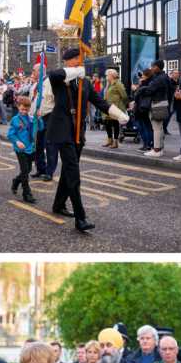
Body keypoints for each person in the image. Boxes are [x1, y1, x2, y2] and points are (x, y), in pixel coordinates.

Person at [47, 49, 128, 235]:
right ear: (67, 61)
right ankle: (80, 218)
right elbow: (54, 74)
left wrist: (118, 114)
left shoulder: (85, 82)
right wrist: (75, 71)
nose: (78, 62)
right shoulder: (60, 79)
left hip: (78, 132)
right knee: (74, 174)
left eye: (79, 59)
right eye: (74, 59)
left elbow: (99, 102)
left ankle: (58, 204)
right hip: (62, 131)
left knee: (69, 171)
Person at [102, 70, 127, 147]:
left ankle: (115, 142)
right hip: (108, 107)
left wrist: (122, 105)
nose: (106, 77)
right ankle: (110, 140)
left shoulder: (118, 84)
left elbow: (124, 96)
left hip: (115, 107)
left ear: (112, 75)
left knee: (115, 123)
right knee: (107, 123)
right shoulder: (108, 84)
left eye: (107, 75)